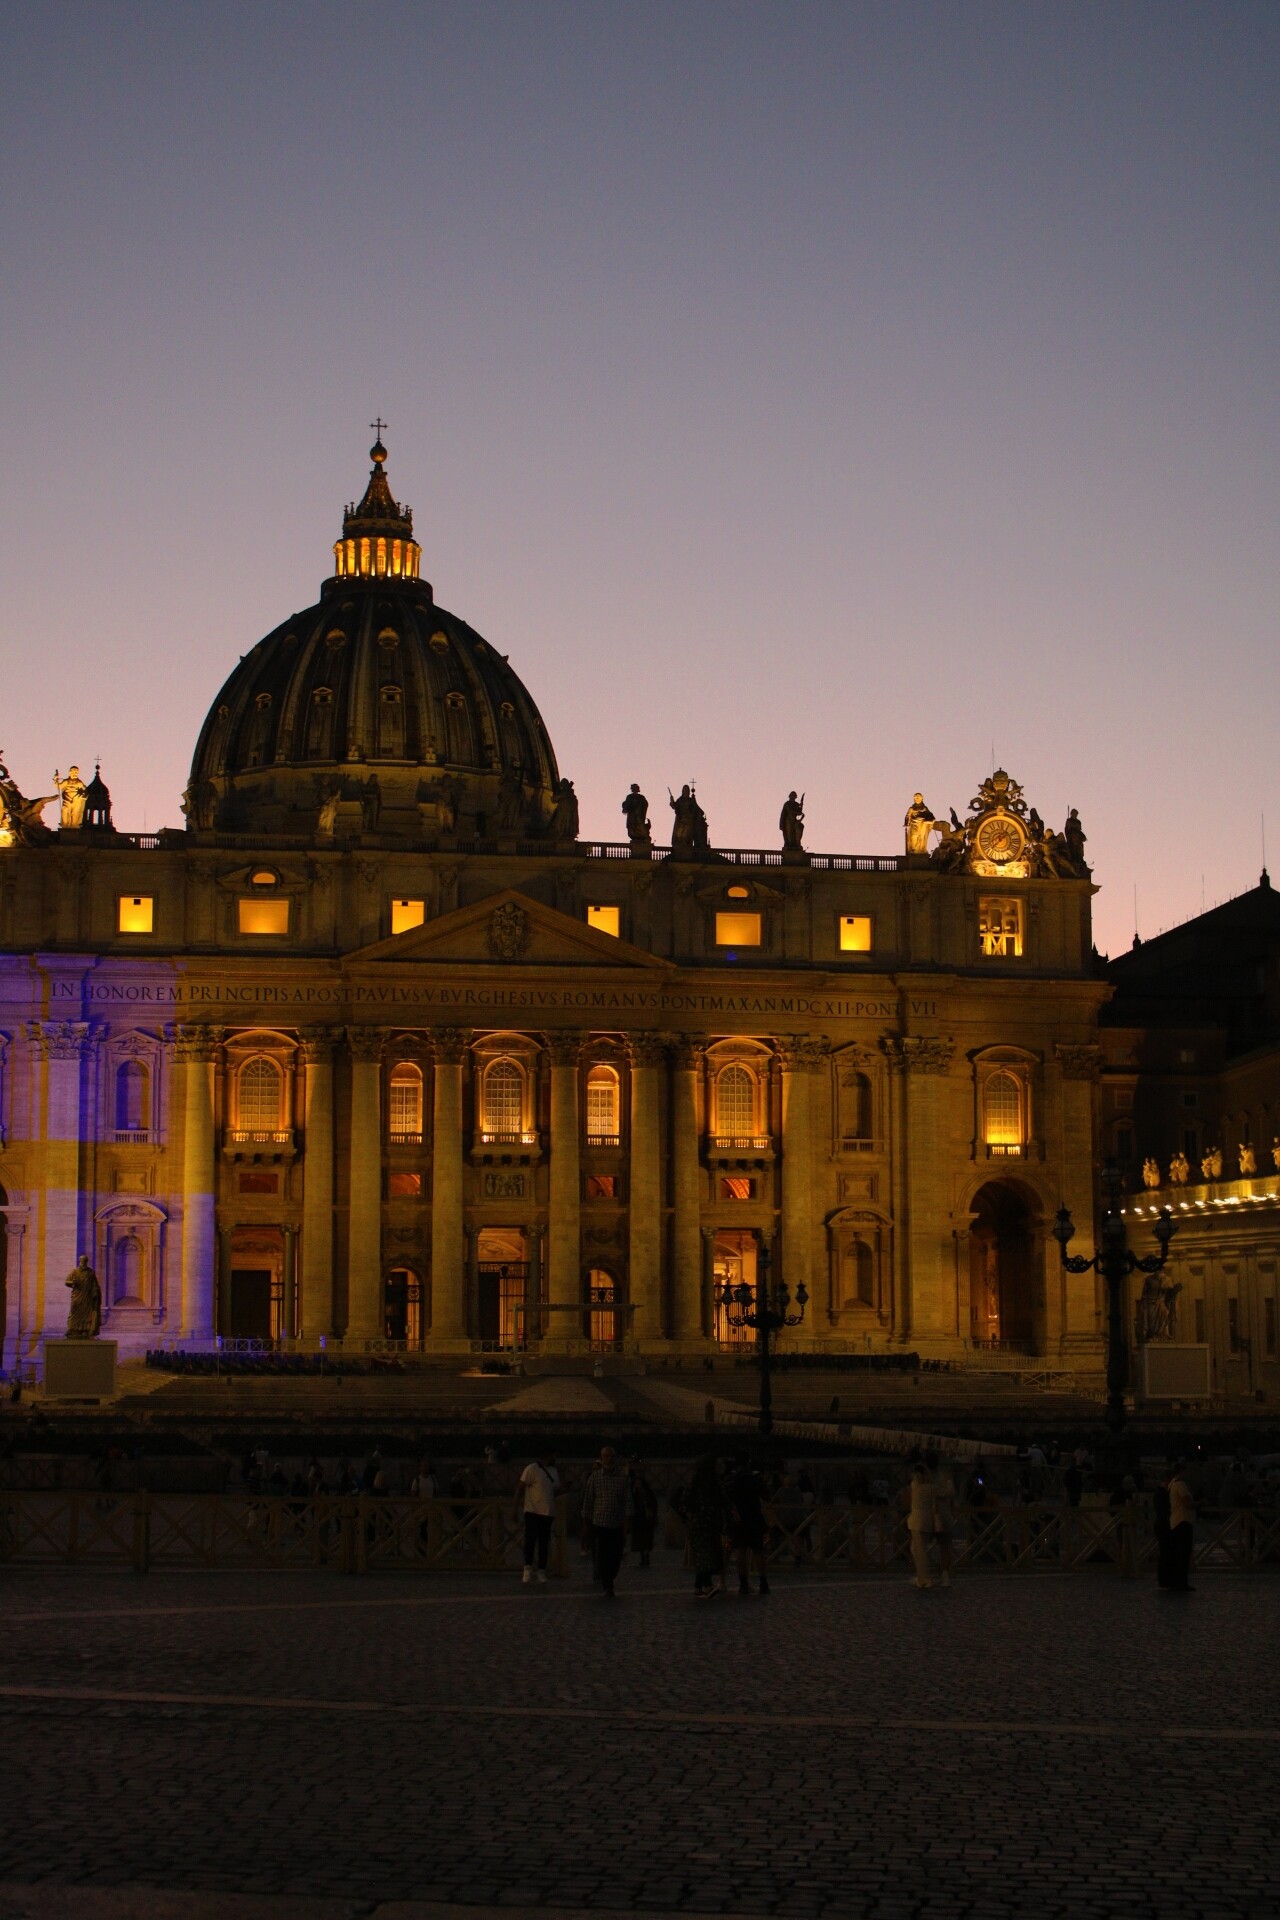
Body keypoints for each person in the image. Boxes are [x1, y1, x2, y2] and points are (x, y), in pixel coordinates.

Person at [579, 1445, 631, 1598]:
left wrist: (627, 1522)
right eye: (606, 1456)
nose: (609, 1459)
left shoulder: (623, 1478)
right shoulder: (594, 1478)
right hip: (599, 1523)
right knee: (602, 1554)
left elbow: (628, 1502)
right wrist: (586, 1525)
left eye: (612, 1456)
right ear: (602, 1458)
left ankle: (610, 1576)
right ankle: (607, 1584)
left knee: (616, 1555)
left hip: (616, 1523)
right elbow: (588, 1503)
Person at [679, 1454, 730, 1599]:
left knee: (707, 1554)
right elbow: (685, 1501)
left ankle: (698, 1586)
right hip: (700, 1523)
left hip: (710, 1522)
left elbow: (723, 1499)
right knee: (705, 1554)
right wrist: (691, 1515)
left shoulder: (712, 1481)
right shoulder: (699, 1481)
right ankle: (707, 1585)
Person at [727, 1453, 770, 1596]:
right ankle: (763, 1583)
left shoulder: (731, 1478)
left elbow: (727, 1497)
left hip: (739, 1518)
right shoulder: (755, 1477)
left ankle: (743, 1584)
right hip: (754, 1516)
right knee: (758, 1551)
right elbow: (766, 1495)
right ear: (748, 1462)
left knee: (740, 1551)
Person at [515, 1452, 558, 1584]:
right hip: (532, 1511)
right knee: (530, 1541)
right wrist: (514, 1508)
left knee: (544, 1543)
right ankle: (527, 1568)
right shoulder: (531, 1468)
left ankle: (541, 1570)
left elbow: (554, 1489)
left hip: (548, 1512)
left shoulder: (554, 1470)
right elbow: (520, 1488)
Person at [906, 1450, 937, 1588]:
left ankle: (924, 1579)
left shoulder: (915, 1486)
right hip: (927, 1521)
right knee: (918, 1549)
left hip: (917, 1522)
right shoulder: (930, 1488)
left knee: (919, 1551)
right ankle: (923, 1576)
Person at [1167, 1461, 1196, 1592]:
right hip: (1183, 1521)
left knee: (1178, 1554)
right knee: (1184, 1554)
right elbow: (1188, 1504)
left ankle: (1176, 1582)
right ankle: (1181, 1583)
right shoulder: (1181, 1485)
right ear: (1181, 1471)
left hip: (1175, 1522)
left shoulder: (1171, 1485)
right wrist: (1199, 1503)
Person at [627, 1459, 658, 1568]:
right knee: (640, 1540)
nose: (637, 1485)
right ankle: (642, 1556)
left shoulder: (648, 1493)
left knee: (646, 1539)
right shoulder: (633, 1494)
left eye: (639, 1483)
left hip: (646, 1519)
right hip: (638, 1519)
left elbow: (653, 1504)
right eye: (636, 1483)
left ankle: (646, 1555)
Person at [932, 1455, 957, 1588]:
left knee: (944, 1546)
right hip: (939, 1514)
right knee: (944, 1546)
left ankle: (943, 1572)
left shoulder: (940, 1478)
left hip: (940, 1514)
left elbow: (950, 1493)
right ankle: (941, 1572)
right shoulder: (943, 1477)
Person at [1153, 1467, 1174, 1590]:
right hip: (1163, 1525)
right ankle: (1165, 1579)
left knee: (1165, 1553)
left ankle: (1165, 1579)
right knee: (1165, 1553)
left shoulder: (1159, 1492)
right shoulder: (1162, 1493)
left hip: (1162, 1524)